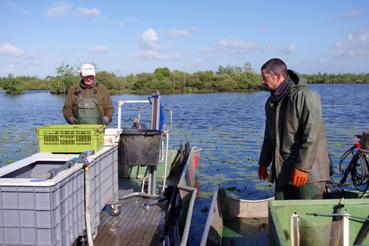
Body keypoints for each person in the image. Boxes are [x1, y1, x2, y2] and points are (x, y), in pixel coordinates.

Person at [258, 58, 330, 200]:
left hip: (309, 174)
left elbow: (312, 135)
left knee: (311, 218)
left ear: (278, 76)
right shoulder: (271, 102)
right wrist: (263, 162)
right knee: (283, 214)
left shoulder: (305, 96)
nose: (262, 82)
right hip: (283, 170)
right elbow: (269, 135)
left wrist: (303, 168)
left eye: (264, 78)